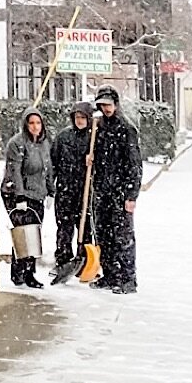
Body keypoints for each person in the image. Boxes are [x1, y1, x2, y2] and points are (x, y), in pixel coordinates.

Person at [89, 87, 143, 293]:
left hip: (120, 192)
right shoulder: (98, 127)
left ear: (116, 104)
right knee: (104, 235)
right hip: (102, 191)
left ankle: (128, 279)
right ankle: (110, 275)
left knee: (123, 237)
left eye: (108, 104)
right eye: (102, 105)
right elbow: (96, 157)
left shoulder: (126, 128)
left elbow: (134, 164)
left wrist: (131, 195)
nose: (105, 108)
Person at [1, 107, 53, 288]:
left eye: (38, 123)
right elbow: (14, 171)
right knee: (24, 232)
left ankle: (28, 272)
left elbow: (48, 169)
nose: (35, 127)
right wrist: (19, 196)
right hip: (16, 193)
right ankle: (21, 273)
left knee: (34, 233)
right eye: (31, 123)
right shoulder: (17, 144)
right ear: (25, 124)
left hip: (37, 192)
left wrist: (51, 191)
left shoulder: (44, 143)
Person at [49, 102, 94, 282]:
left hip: (86, 192)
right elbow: (53, 163)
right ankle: (63, 261)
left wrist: (93, 161)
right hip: (66, 191)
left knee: (86, 229)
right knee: (64, 229)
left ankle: (85, 262)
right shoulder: (63, 137)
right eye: (77, 118)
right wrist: (51, 188)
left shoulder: (94, 138)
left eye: (83, 118)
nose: (80, 121)